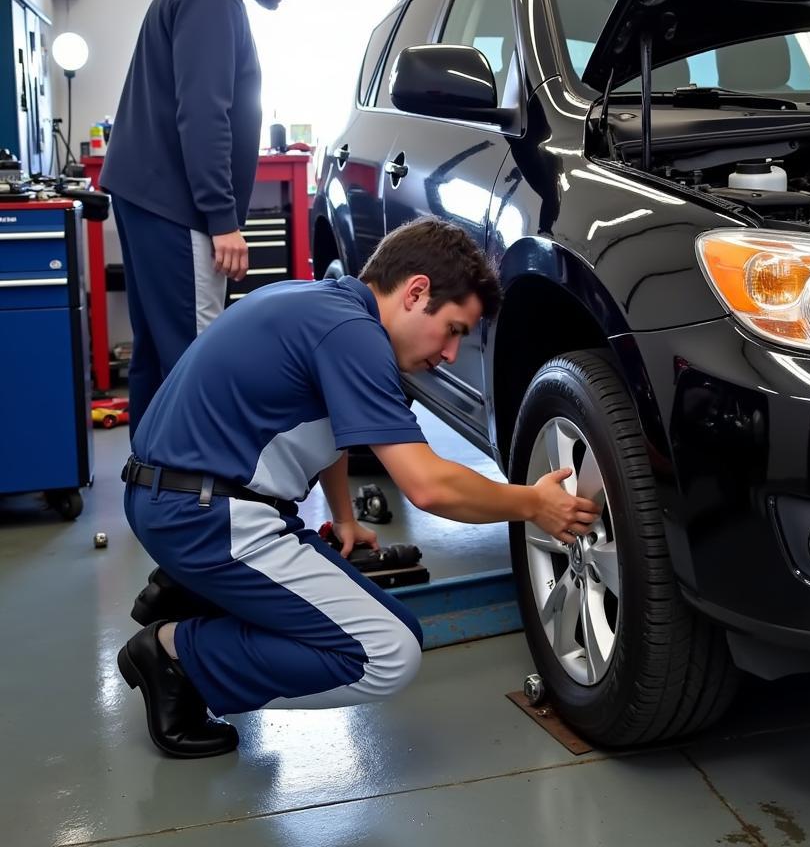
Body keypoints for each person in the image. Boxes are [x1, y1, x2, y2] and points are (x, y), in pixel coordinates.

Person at [115, 218, 601, 758]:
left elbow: (331, 428)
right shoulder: (354, 335)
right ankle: (175, 654)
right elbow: (428, 487)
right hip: (204, 514)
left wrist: (344, 516)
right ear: (417, 292)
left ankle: (196, 593)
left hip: (173, 496)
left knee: (362, 621)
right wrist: (533, 503)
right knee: (387, 652)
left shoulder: (320, 304)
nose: (447, 355)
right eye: (454, 331)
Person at [100, 0, 317, 436]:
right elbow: (203, 113)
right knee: (198, 360)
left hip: (153, 199)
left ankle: (153, 488)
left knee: (158, 351)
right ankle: (199, 498)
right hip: (178, 209)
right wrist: (223, 220)